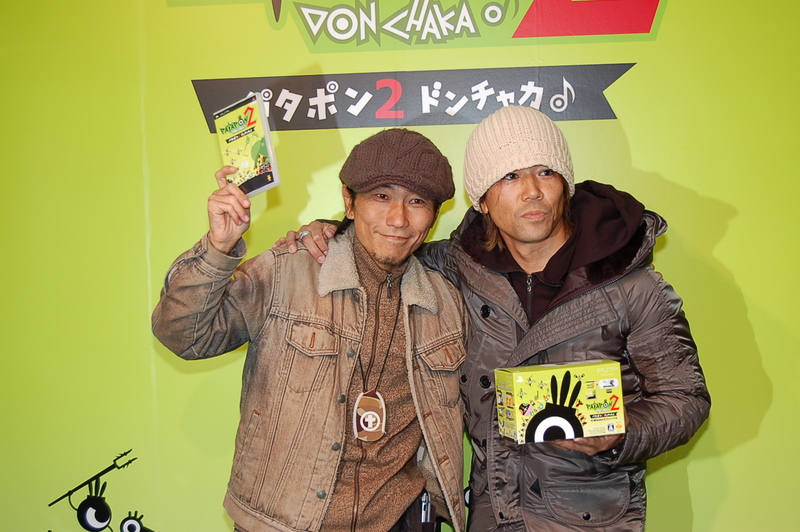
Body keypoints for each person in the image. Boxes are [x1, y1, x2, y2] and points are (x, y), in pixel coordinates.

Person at [279, 106, 711, 531]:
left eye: (546, 172)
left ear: (565, 186)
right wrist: (332, 231)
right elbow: (388, 246)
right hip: (490, 514)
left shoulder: (632, 284)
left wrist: (622, 434)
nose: (532, 191)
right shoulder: (454, 268)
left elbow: (686, 398)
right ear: (482, 200)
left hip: (592, 518)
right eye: (509, 176)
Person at [152, 128, 469, 532]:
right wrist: (218, 247)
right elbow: (184, 336)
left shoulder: (444, 302)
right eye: (381, 196)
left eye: (417, 201)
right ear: (349, 202)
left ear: (434, 216)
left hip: (398, 523)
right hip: (282, 523)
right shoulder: (286, 271)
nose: (398, 218)